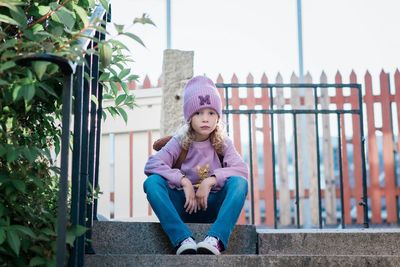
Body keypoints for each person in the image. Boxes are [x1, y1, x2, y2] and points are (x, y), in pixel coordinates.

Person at [143, 75, 248, 255]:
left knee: (240, 183)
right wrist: (183, 181)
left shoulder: (222, 142)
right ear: (189, 117)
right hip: (184, 205)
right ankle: (182, 239)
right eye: (198, 113)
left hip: (212, 206)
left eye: (211, 113)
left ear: (218, 117)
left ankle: (216, 239)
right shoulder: (180, 141)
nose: (205, 119)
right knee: (152, 182)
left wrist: (210, 181)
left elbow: (241, 170)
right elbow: (152, 164)